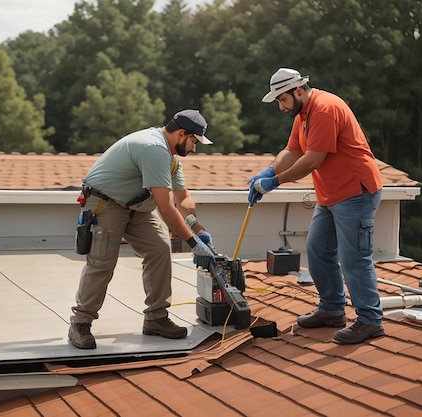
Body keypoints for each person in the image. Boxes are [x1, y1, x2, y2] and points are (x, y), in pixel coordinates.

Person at [248, 68, 384, 344]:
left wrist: (275, 182)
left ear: (298, 90)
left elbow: (313, 159)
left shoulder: (324, 109)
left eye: (283, 99)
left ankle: (370, 320)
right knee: (318, 250)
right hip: (331, 196)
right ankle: (332, 310)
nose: (281, 106)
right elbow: (293, 150)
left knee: (354, 259)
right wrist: (267, 172)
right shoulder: (303, 114)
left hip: (355, 192)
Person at [69, 109, 216, 349]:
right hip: (106, 203)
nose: (194, 148)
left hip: (137, 206)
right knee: (102, 262)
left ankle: (156, 318)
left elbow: (183, 197)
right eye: (194, 142)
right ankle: (80, 323)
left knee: (159, 249)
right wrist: (193, 244)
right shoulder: (154, 149)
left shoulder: (171, 158)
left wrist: (197, 229)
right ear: (181, 134)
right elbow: (167, 208)